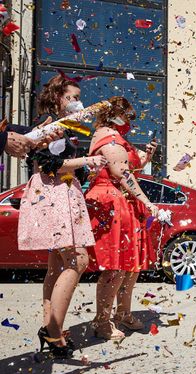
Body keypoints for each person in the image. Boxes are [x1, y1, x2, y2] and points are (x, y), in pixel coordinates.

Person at [17, 75, 106, 359]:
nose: (77, 102)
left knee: (57, 264)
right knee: (78, 259)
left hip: (63, 191)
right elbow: (48, 164)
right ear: (57, 98)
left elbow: (63, 166)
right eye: (70, 97)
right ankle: (52, 331)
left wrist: (85, 171)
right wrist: (86, 161)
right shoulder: (48, 124)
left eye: (78, 97)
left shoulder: (65, 128)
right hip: (53, 194)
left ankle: (53, 332)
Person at [85, 97, 158, 340]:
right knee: (115, 267)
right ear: (116, 113)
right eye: (128, 115)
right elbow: (122, 173)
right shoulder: (109, 136)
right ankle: (102, 321)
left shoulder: (117, 137)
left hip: (125, 204)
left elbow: (130, 169)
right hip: (113, 203)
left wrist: (145, 159)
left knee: (130, 266)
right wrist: (147, 201)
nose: (130, 120)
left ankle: (123, 313)